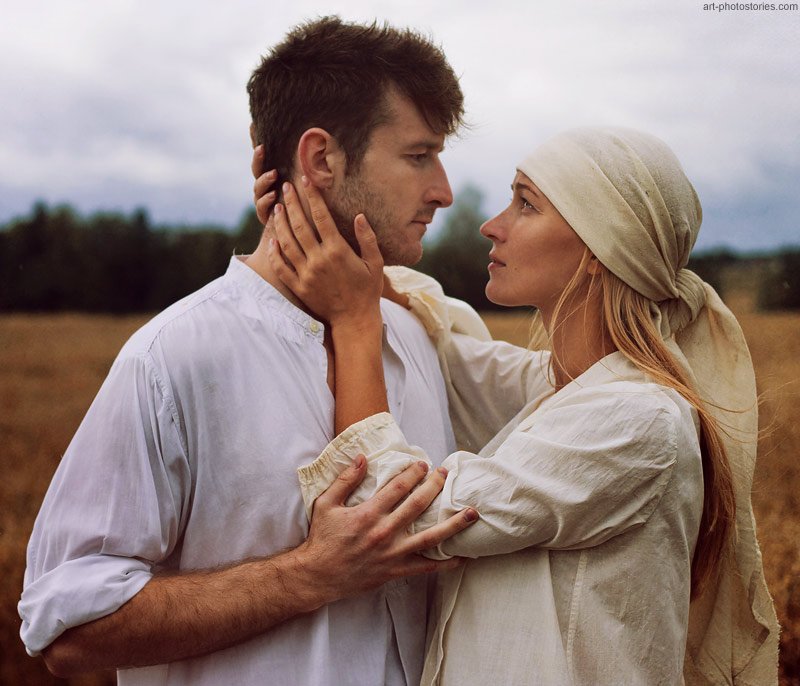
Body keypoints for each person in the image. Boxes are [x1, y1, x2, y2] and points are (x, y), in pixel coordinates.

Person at [18, 17, 479, 685]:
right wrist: (308, 574)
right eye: (418, 155)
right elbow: (66, 628)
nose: (444, 190)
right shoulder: (173, 358)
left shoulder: (410, 337)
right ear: (321, 160)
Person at [258, 127, 779, 684]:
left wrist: (354, 321)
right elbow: (452, 360)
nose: (492, 225)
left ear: (600, 249)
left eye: (526, 204)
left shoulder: (636, 419)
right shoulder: (568, 386)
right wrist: (316, 223)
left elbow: (393, 516)